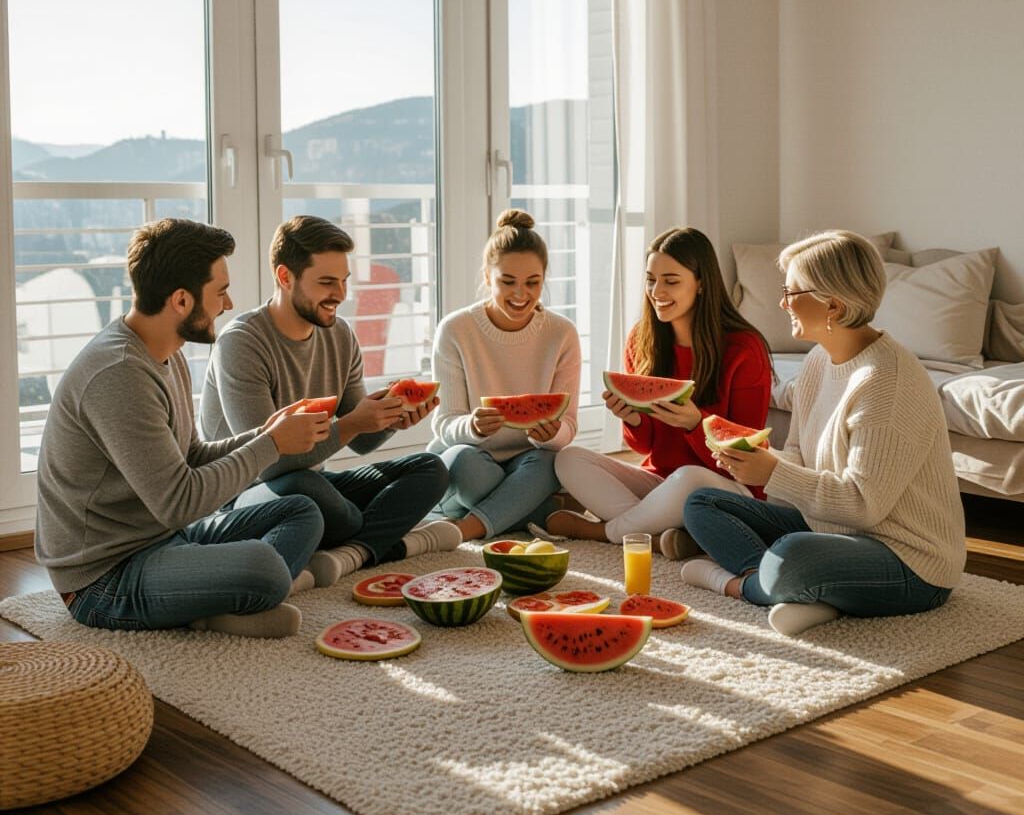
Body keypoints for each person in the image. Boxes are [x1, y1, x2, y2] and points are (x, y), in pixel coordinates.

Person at [35, 219, 329, 639]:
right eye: (220, 292)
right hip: (104, 578)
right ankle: (235, 596)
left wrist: (267, 433)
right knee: (263, 567)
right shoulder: (119, 374)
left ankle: (219, 600)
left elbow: (191, 456)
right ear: (181, 300)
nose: (227, 305)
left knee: (302, 510)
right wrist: (270, 445)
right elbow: (179, 501)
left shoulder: (166, 354)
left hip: (166, 538)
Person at [681, 230, 966, 636]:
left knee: (791, 555)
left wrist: (772, 474)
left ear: (832, 304)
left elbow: (864, 506)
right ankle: (797, 589)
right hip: (830, 530)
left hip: (910, 562)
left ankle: (744, 584)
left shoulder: (886, 381)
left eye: (792, 291)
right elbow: (799, 453)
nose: (782, 302)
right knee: (702, 503)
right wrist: (759, 461)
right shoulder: (818, 361)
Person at [200, 215, 457, 588]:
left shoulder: (339, 335)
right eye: (326, 282)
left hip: (314, 484)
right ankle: (399, 541)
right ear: (285, 277)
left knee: (431, 468)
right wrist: (353, 423)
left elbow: (363, 439)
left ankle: (351, 554)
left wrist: (390, 418)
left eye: (343, 281)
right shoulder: (241, 343)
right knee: (316, 495)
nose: (340, 294)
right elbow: (269, 463)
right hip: (247, 494)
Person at [549, 227, 773, 558]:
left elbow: (746, 453)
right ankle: (662, 534)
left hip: (722, 487)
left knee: (689, 478)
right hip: (662, 482)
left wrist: (695, 424)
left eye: (671, 280)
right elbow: (645, 446)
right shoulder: (642, 338)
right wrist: (633, 421)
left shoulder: (744, 347)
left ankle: (605, 531)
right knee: (569, 459)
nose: (657, 291)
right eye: (651, 279)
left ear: (701, 283)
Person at [427, 209, 581, 539]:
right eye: (506, 282)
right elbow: (444, 423)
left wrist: (550, 435)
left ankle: (466, 525)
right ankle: (542, 511)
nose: (520, 294)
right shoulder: (455, 330)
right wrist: (472, 425)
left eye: (533, 283)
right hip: (470, 456)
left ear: (544, 278)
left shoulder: (562, 333)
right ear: (487, 277)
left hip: (529, 462)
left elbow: (567, 426)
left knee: (552, 463)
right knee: (463, 463)